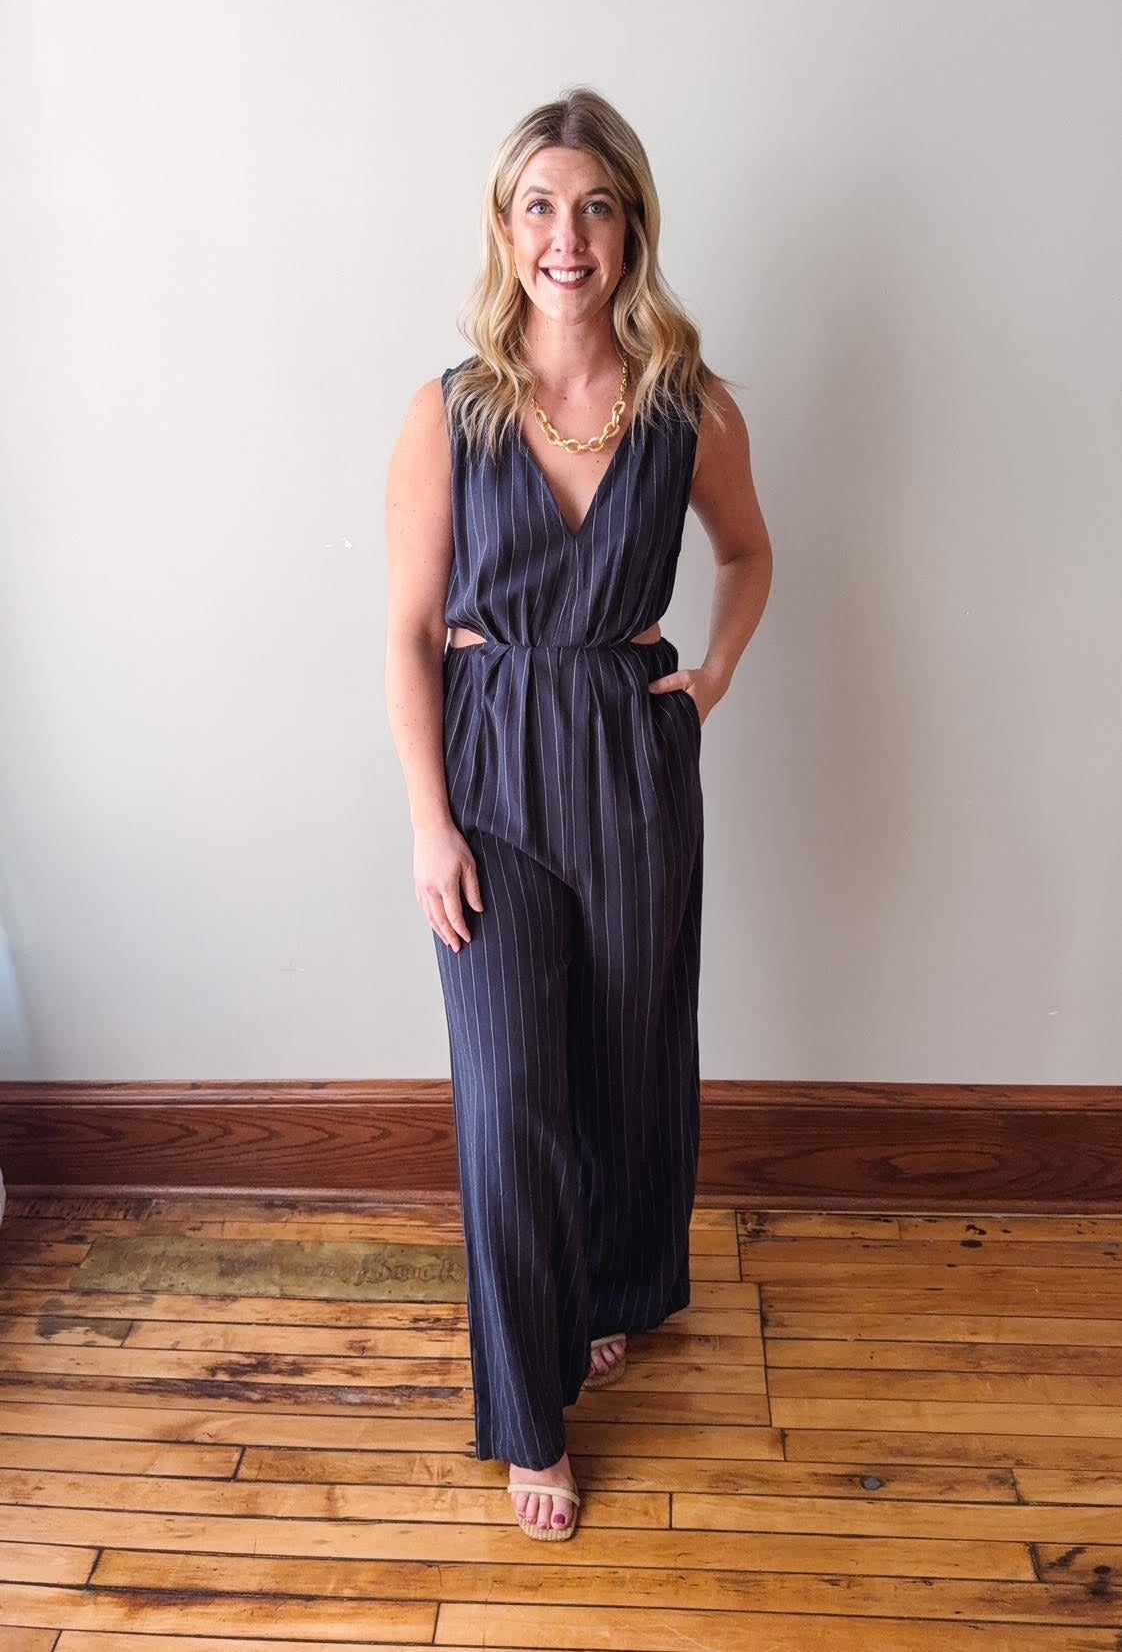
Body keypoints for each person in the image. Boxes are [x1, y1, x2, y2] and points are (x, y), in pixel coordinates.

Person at [385, 86, 772, 1543]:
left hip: (627, 753)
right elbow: (408, 632)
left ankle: (610, 1291)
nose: (567, 234)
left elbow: (747, 555)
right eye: (540, 205)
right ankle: (528, 1405)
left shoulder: (689, 403)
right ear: (505, 228)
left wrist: (709, 679)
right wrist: (429, 823)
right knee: (506, 1098)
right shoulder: (448, 410)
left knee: (624, 1054)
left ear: (631, 229)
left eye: (595, 206)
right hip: (488, 770)